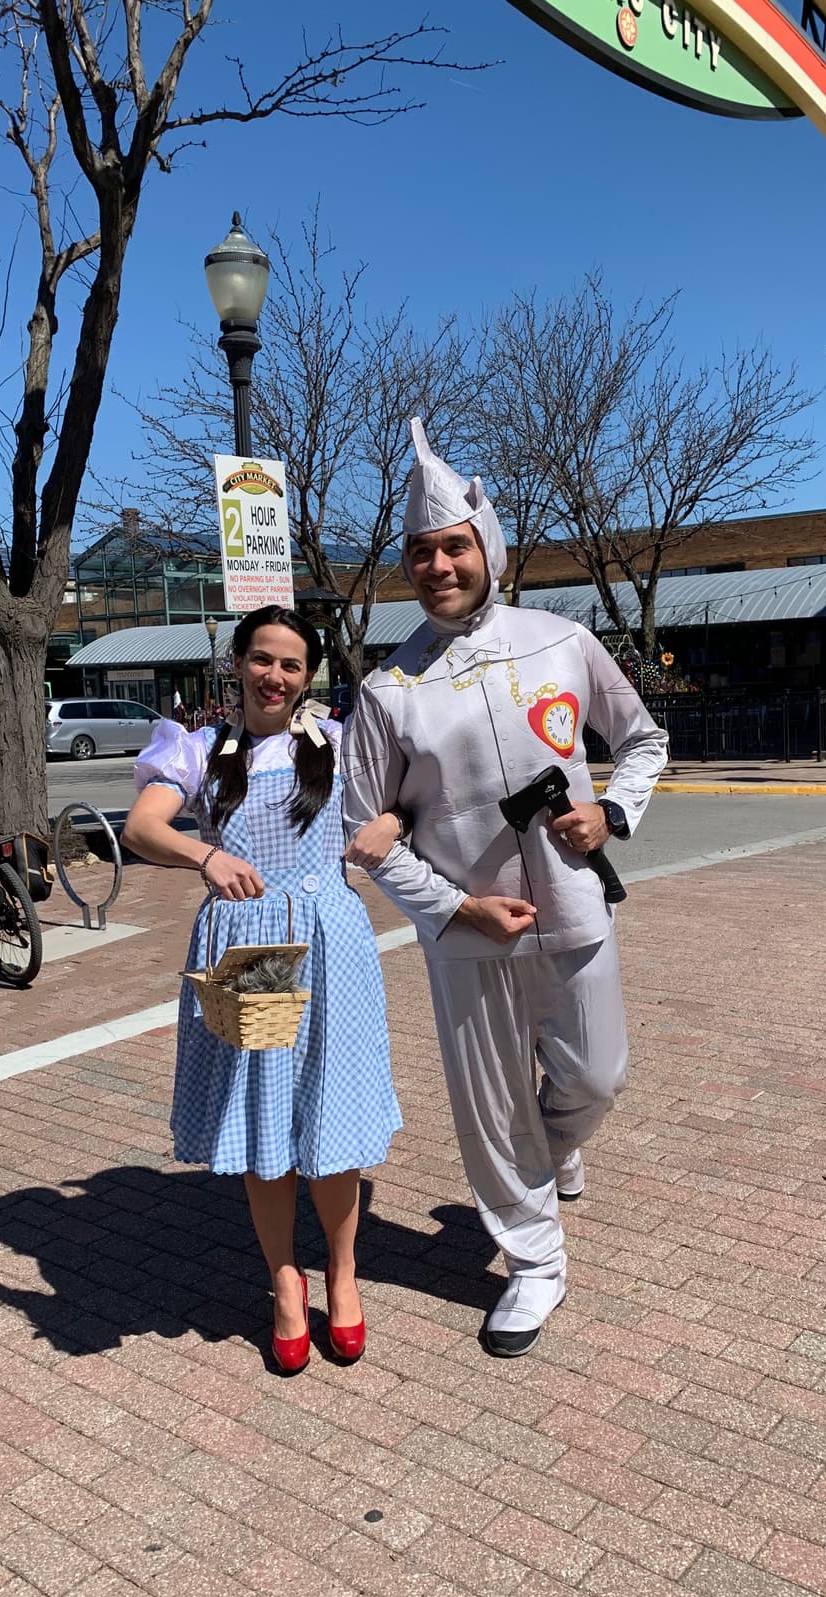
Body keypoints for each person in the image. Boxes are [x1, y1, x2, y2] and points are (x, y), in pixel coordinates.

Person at [342, 420, 668, 1358]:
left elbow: (643, 740)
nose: (439, 566)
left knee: (598, 1074)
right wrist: (454, 908)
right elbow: (367, 834)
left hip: (573, 906)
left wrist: (612, 812)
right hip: (467, 932)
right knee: (489, 1104)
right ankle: (533, 1260)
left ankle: (558, 1147)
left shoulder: (562, 642)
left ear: (489, 547)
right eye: (421, 553)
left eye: (454, 547)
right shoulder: (390, 691)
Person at [122, 606, 403, 1373]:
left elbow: (413, 787)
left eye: (291, 665)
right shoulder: (199, 747)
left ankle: (342, 1275)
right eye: (261, 660)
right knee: (265, 1120)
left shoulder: (339, 743)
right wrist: (204, 857)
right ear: (236, 662)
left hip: (333, 943)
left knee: (332, 1112)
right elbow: (143, 828)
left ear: (307, 675)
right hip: (253, 947)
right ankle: (285, 1279)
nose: (274, 676)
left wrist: (394, 819)